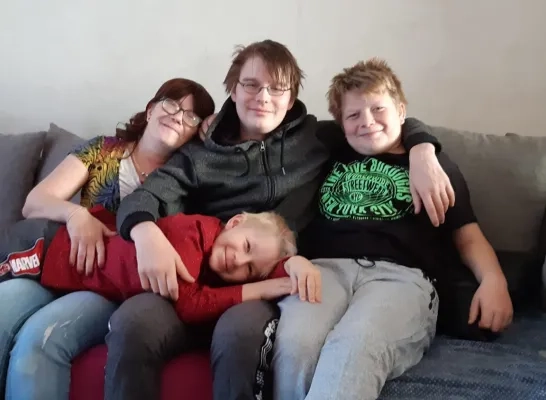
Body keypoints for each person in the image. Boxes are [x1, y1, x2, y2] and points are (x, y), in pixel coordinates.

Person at [109, 39, 456, 400]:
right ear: (233, 90)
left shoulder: (314, 138)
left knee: (238, 336)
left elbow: (377, 121)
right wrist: (145, 234)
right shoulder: (199, 154)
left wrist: (422, 149)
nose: (263, 97)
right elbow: (144, 197)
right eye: (251, 85)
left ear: (290, 99)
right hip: (190, 276)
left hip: (261, 282)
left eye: (277, 88)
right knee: (132, 323)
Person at [272, 58, 514, 400]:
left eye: (378, 109)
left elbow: (467, 234)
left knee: (355, 343)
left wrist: (494, 280)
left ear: (401, 111)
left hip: (401, 278)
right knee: (296, 343)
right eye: (353, 115)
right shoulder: (328, 152)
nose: (367, 122)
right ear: (341, 125)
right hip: (324, 270)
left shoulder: (435, 167)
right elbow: (273, 124)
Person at [0, 78, 215, 400]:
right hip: (56, 265)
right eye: (172, 104)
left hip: (108, 289)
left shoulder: (187, 178)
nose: (178, 117)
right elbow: (35, 203)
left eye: (191, 116)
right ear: (150, 109)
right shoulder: (102, 150)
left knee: (39, 339)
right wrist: (76, 215)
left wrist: (215, 134)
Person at [0, 206, 323, 324]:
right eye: (246, 246)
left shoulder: (220, 259)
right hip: (49, 246)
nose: (238, 260)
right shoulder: (192, 232)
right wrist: (263, 287)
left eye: (249, 269)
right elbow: (190, 305)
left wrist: (295, 265)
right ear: (235, 222)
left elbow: (269, 264)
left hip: (71, 281)